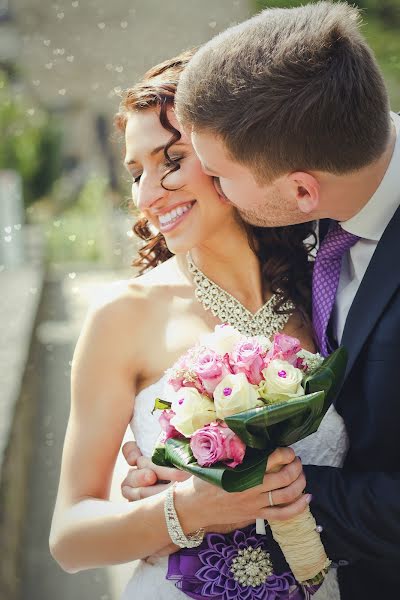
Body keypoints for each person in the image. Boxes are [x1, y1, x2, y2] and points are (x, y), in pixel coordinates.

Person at [122, 2, 399, 600]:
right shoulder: (323, 189)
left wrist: (235, 496)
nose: (200, 187)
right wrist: (168, 498)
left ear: (302, 190)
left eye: (217, 175)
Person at [49, 51, 347, 600]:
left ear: (230, 151)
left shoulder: (328, 290)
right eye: (136, 172)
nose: (147, 194)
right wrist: (185, 509)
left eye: (172, 159)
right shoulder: (125, 315)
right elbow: (69, 538)